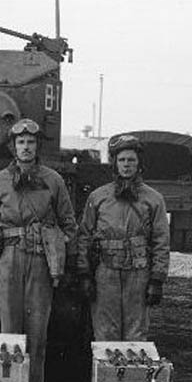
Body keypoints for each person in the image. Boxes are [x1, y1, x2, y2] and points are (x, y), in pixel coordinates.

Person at [0, 118, 77, 382]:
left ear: (37, 147)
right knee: (9, 326)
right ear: (13, 147)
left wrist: (57, 248)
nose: (26, 147)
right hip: (10, 257)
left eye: (31, 143)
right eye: (20, 143)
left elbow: (69, 224)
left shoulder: (53, 180)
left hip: (40, 259)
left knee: (38, 328)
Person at [76, 134, 170, 341]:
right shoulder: (98, 197)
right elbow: (84, 236)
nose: (126, 165)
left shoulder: (154, 199)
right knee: (104, 334)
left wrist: (157, 279)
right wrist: (83, 273)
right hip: (105, 273)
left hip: (138, 274)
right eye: (122, 160)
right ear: (114, 164)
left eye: (131, 160)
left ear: (139, 164)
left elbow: (161, 241)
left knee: (136, 335)